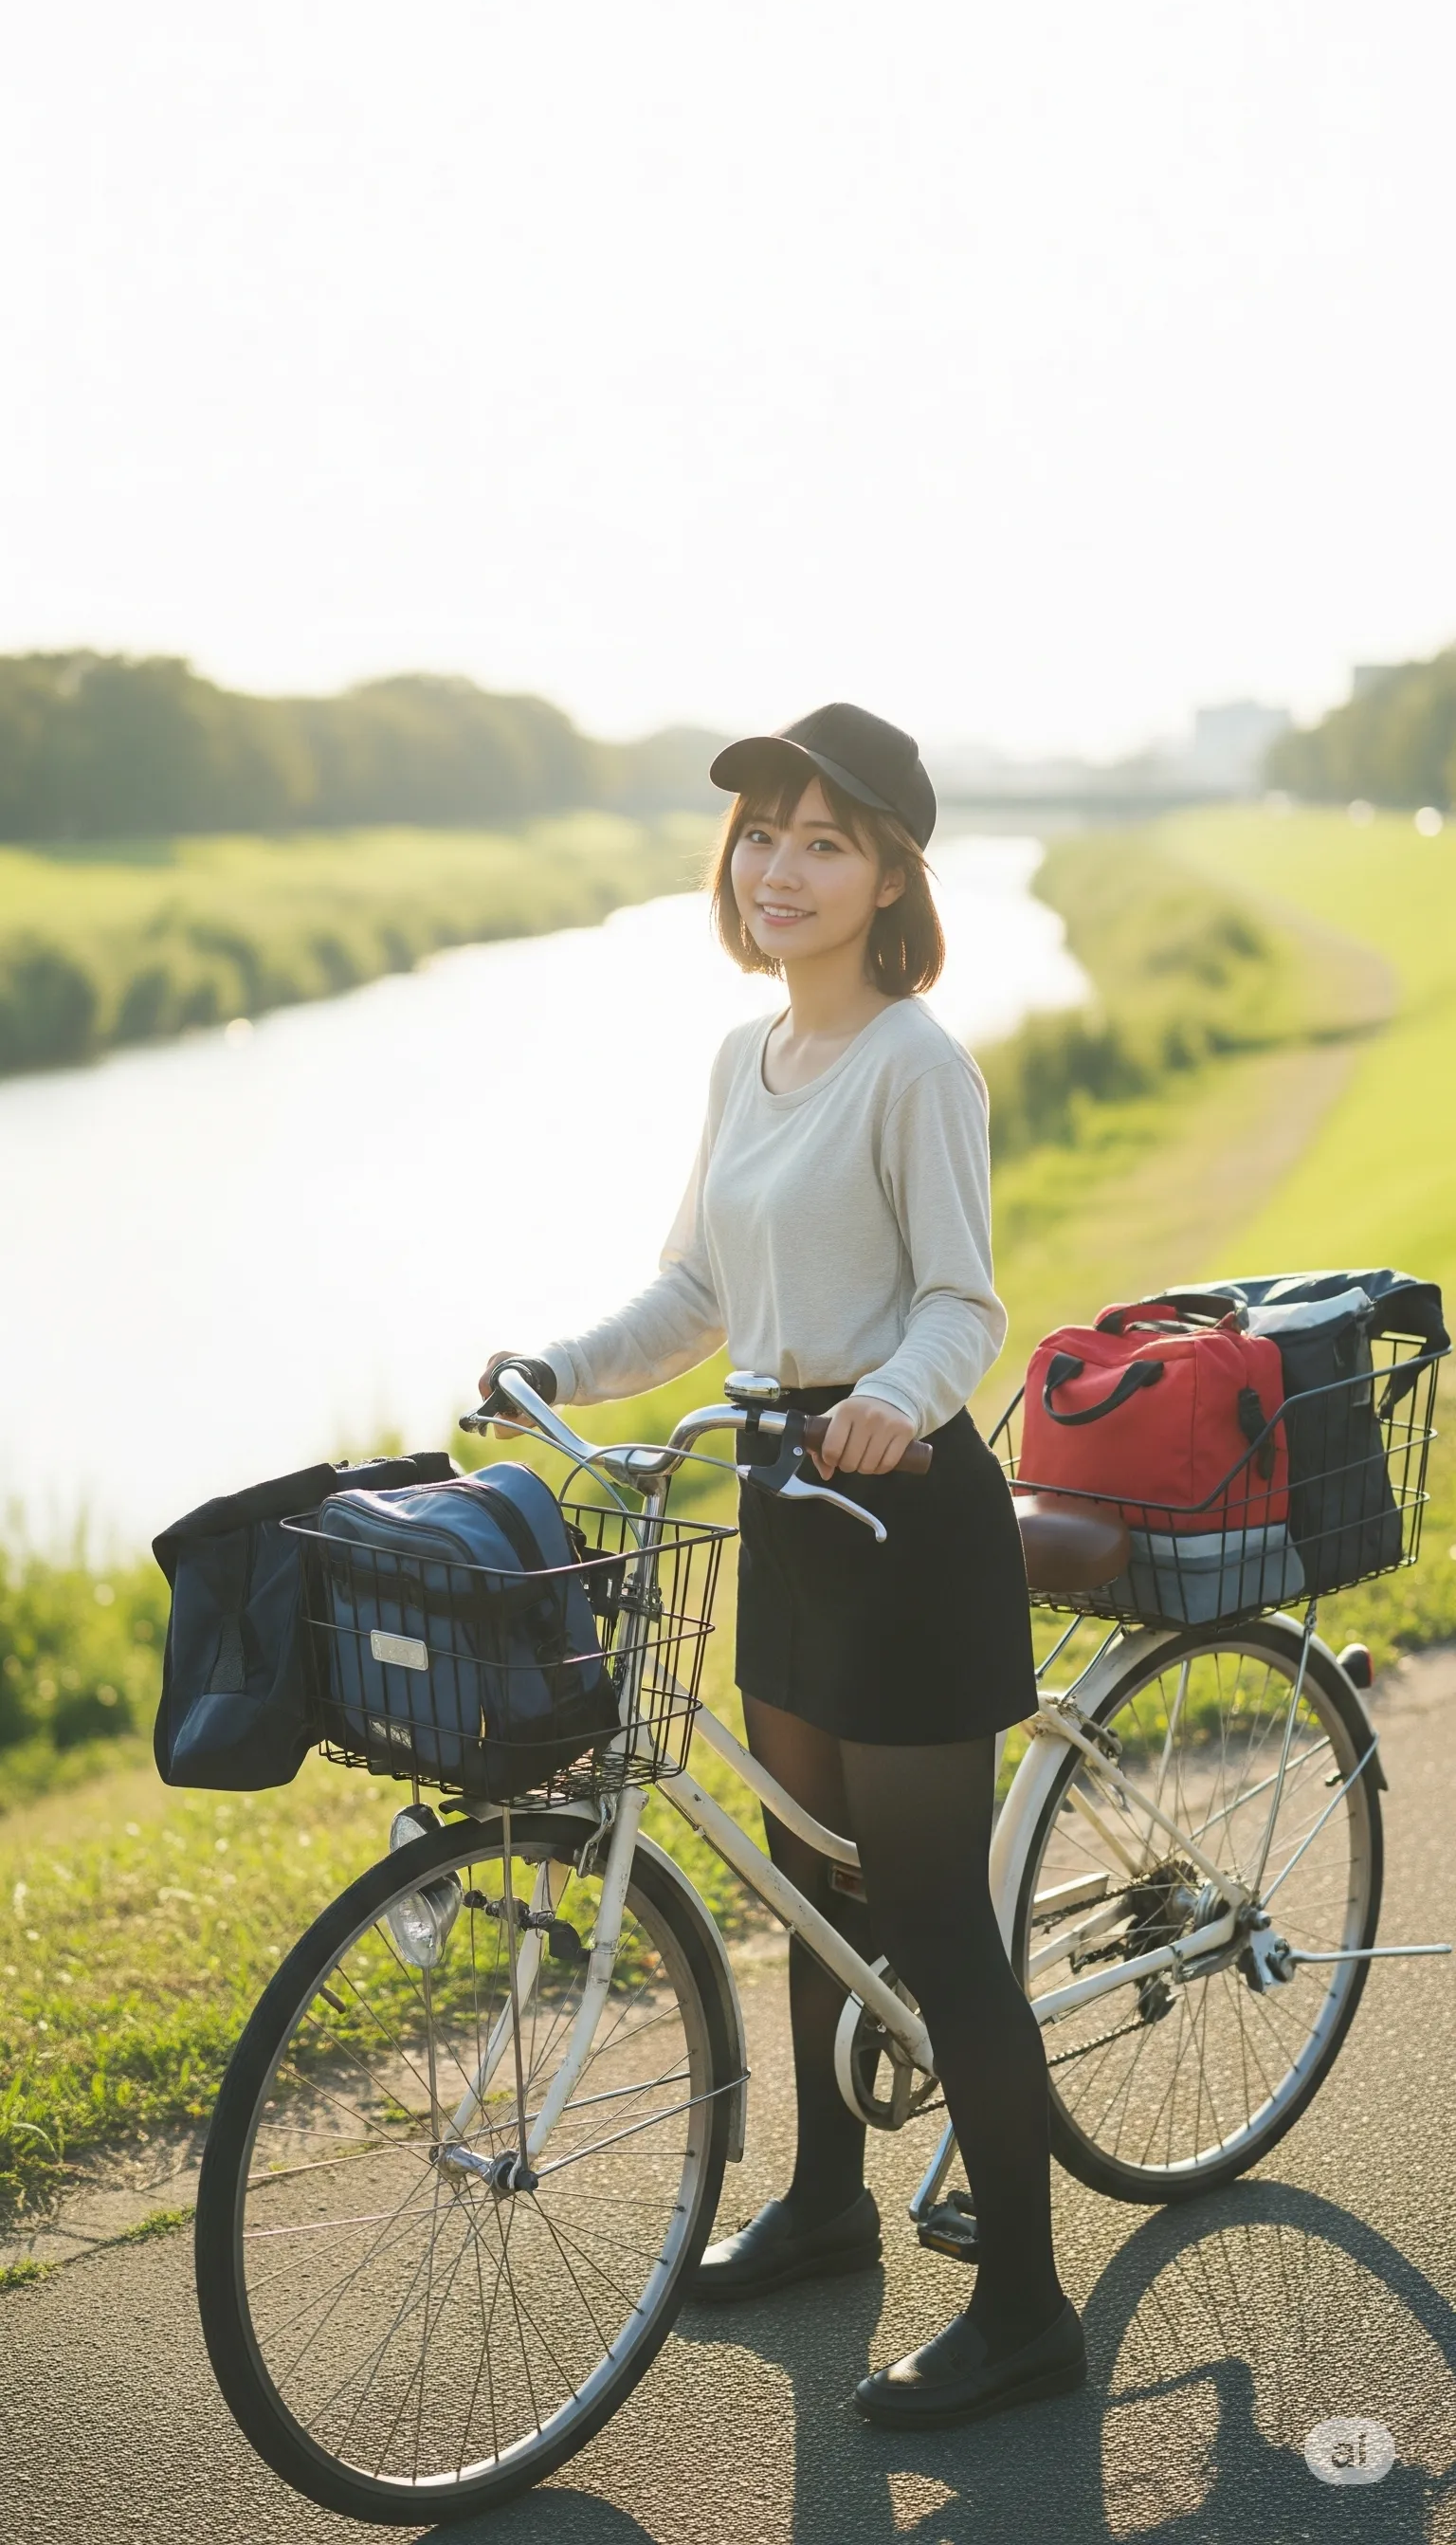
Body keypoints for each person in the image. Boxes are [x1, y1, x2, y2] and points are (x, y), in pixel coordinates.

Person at [482, 702, 1085, 2430]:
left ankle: (1030, 2303)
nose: (781, 867)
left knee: (931, 1919)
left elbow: (963, 1304)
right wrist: (554, 1372)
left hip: (902, 1519)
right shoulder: (744, 1060)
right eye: (763, 833)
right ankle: (828, 2205)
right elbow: (697, 1291)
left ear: (893, 870)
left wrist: (896, 1403)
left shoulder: (916, 1061)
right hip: (782, 1499)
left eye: (826, 838)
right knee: (804, 1889)